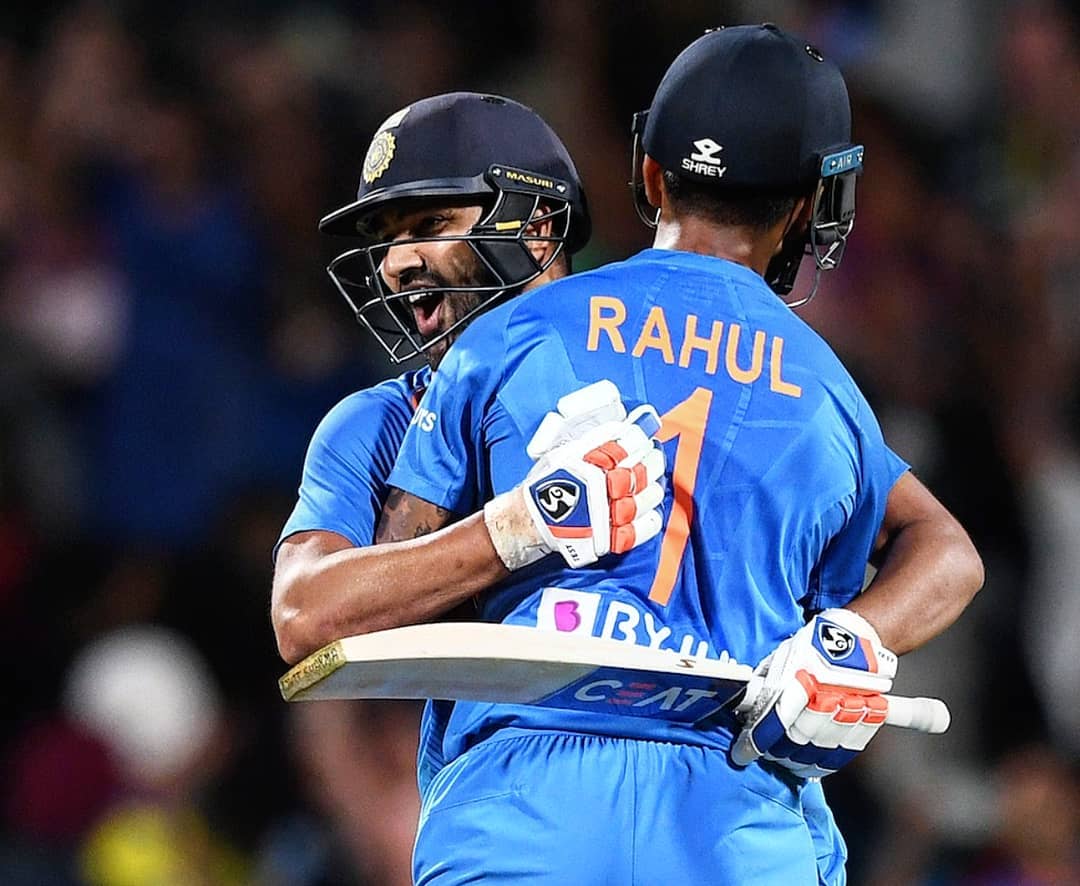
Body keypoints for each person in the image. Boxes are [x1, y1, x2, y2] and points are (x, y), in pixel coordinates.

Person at [379, 25, 985, 885]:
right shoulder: (829, 391)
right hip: (732, 815)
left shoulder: (512, 332)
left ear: (653, 174)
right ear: (810, 205)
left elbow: (391, 592)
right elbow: (950, 554)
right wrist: (851, 637)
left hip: (521, 806)